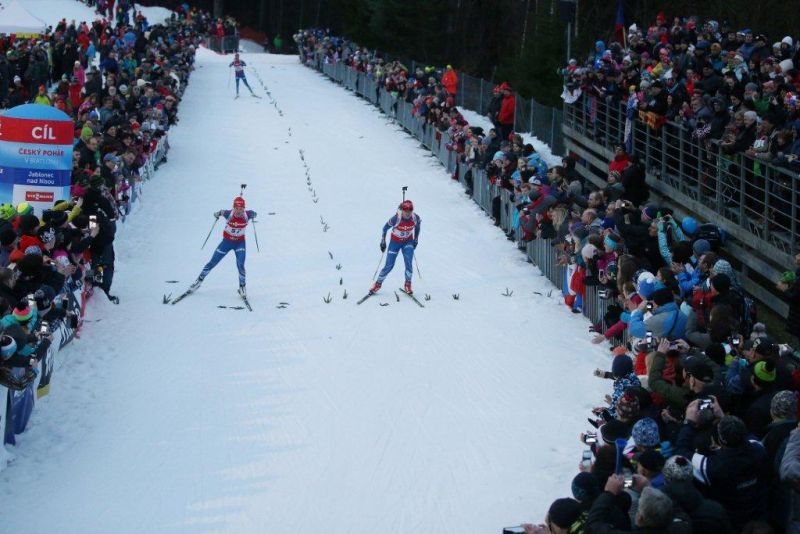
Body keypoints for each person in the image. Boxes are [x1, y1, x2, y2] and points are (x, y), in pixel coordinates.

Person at [191, 196, 257, 297]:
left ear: (244, 208)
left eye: (241, 208)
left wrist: (254, 215)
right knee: (212, 262)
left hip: (240, 243)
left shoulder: (246, 215)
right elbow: (221, 212)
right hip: (226, 243)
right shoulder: (228, 214)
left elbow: (253, 212)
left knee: (240, 264)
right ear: (233, 208)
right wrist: (216, 214)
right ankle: (198, 282)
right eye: (236, 208)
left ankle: (242, 287)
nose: (238, 211)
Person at [370, 200, 421, 295]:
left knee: (408, 262)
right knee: (389, 265)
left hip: (408, 242)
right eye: (406, 211)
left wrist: (416, 239)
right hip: (395, 242)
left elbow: (418, 227)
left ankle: (408, 284)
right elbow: (385, 228)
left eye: (410, 210)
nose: (408, 213)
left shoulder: (415, 218)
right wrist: (383, 241)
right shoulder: (396, 218)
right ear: (402, 210)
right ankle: (377, 284)